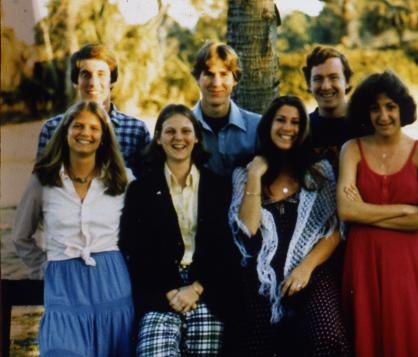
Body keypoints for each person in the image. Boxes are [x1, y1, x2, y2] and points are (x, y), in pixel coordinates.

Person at [229, 95, 350, 356]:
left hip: (313, 271)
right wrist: (254, 175)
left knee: (325, 334)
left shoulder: (319, 171)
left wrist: (305, 269)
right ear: (268, 125)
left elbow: (334, 231)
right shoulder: (244, 172)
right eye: (280, 120)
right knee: (257, 342)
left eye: (295, 122)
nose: (288, 128)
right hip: (262, 276)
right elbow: (248, 228)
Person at [337, 70, 418, 357]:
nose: (383, 115)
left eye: (390, 106)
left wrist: (367, 212)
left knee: (411, 337)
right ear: (365, 112)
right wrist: (402, 209)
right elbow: (346, 211)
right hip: (364, 261)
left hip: (410, 263)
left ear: (402, 109)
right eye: (375, 108)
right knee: (369, 337)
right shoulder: (352, 150)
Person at [13, 101, 134, 356]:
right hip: (62, 283)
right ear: (65, 132)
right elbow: (21, 235)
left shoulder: (123, 180)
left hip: (111, 280)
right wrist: (43, 267)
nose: (85, 133)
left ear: (103, 137)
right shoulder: (44, 180)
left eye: (94, 128)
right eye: (78, 126)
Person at [119, 104, 239, 356]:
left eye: (186, 131)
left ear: (196, 138)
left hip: (206, 290)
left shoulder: (218, 186)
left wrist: (196, 287)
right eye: (170, 132)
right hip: (160, 292)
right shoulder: (141, 189)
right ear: (159, 139)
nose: (178, 138)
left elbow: (225, 248)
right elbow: (133, 248)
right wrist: (170, 291)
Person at [37, 43, 151, 177]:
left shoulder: (136, 130)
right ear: (76, 82)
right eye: (86, 75)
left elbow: (149, 186)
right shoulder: (52, 129)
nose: (93, 82)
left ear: (112, 81)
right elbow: (41, 184)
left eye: (101, 74)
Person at [191, 41, 261, 176]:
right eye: (209, 74)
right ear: (197, 78)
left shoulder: (257, 127)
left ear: (235, 79)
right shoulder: (182, 128)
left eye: (223, 74)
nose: (216, 83)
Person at [302, 46, 363, 170]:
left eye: (333, 77)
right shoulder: (302, 130)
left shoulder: (365, 126)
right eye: (318, 79)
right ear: (309, 85)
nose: (326, 86)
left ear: (347, 81)